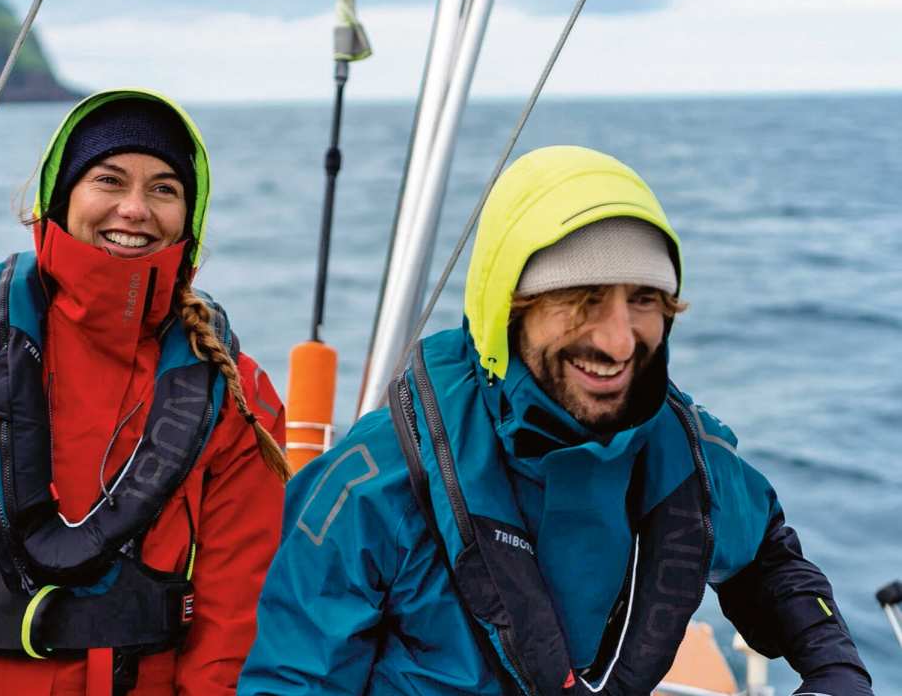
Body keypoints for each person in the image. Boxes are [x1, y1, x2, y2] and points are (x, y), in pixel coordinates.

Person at [239, 146, 874, 695]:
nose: (620, 341)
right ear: (510, 311)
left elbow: (765, 556)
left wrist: (835, 667)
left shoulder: (689, 461)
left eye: (644, 299)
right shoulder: (371, 486)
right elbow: (291, 676)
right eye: (583, 299)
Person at [0, 88, 289, 696]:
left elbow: (235, 618)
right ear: (61, 198)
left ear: (191, 217)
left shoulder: (235, 391)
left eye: (163, 188)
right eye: (108, 179)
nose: (134, 208)